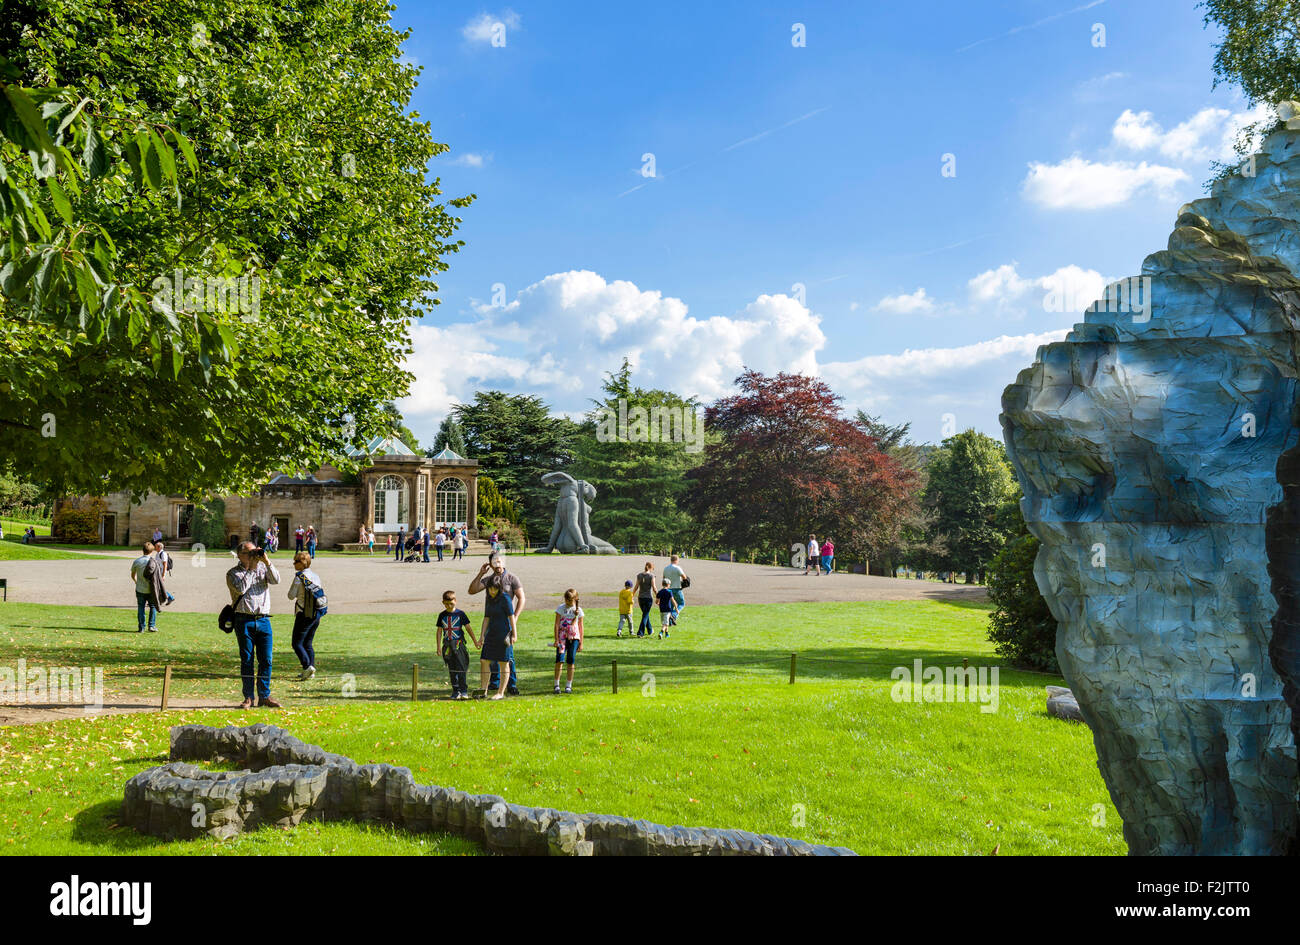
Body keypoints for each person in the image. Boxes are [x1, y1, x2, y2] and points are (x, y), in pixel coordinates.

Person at [226, 542, 282, 709]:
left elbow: (277, 580)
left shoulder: (262, 568)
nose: (253, 555)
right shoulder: (233, 573)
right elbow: (241, 589)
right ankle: (248, 697)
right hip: (244, 620)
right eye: (249, 552)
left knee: (266, 660)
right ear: (240, 555)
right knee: (247, 660)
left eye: (254, 551)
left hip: (264, 620)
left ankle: (264, 696)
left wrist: (266, 561)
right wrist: (252, 567)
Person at [469, 553, 525, 694]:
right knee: (490, 655)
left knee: (507, 656)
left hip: (506, 621)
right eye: (495, 562)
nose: (498, 565)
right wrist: (480, 573)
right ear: (491, 564)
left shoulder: (512, 578)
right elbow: (472, 590)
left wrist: (515, 617)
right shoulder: (488, 580)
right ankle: (494, 683)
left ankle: (511, 685)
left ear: (503, 562)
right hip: (491, 621)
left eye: (500, 561)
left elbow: (521, 598)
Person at [287, 551, 325, 680]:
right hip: (317, 614)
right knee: (308, 643)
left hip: (304, 614)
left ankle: (307, 666)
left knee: (296, 643)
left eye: (295, 561)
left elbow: (291, 595)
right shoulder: (316, 576)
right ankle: (311, 670)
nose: (293, 564)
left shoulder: (299, 577)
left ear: (301, 563)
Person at [477, 578, 517, 700]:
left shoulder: (505, 598)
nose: (492, 591)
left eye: (494, 589)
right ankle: (483, 690)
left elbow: (511, 617)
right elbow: (486, 618)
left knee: (503, 662)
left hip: (503, 634)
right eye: (490, 588)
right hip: (491, 634)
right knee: (484, 660)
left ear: (499, 588)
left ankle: (500, 692)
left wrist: (514, 634)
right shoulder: (489, 599)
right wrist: (482, 635)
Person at [436, 590, 477, 700]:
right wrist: (439, 647)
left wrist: (475, 641)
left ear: (455, 601)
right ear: (443, 602)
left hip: (459, 645)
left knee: (461, 668)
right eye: (446, 604)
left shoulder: (461, 614)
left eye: (451, 603)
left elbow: (468, 628)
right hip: (448, 646)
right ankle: (455, 691)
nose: (449, 606)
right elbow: (439, 631)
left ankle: (463, 691)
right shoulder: (442, 615)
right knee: (452, 669)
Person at [552, 588, 584, 694]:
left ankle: (568, 685)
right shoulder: (560, 608)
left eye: (570, 600)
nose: (568, 602)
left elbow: (580, 626)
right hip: (561, 638)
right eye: (566, 600)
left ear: (575, 599)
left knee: (571, 660)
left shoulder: (579, 611)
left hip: (574, 638)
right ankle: (556, 685)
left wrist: (581, 643)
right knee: (559, 660)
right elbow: (556, 624)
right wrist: (556, 639)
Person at [130, 542, 162, 632]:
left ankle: (141, 627)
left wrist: (136, 581)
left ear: (143, 550)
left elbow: (132, 575)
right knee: (153, 606)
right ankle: (151, 626)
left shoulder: (137, 561)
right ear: (152, 551)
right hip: (151, 589)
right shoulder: (154, 562)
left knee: (141, 607)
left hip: (140, 588)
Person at [634, 562, 656, 637]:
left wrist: (632, 594)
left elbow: (636, 586)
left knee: (645, 614)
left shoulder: (639, 575)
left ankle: (650, 630)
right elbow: (654, 587)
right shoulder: (651, 576)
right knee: (645, 615)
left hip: (640, 598)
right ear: (651, 568)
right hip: (648, 598)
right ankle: (640, 632)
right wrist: (658, 596)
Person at [154, 540, 176, 606]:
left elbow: (165, 564)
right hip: (157, 572)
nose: (155, 548)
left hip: (161, 573)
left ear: (160, 547)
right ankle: (166, 598)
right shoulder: (157, 553)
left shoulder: (163, 554)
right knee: (158, 587)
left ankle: (169, 597)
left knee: (158, 587)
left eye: (156, 546)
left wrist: (163, 575)